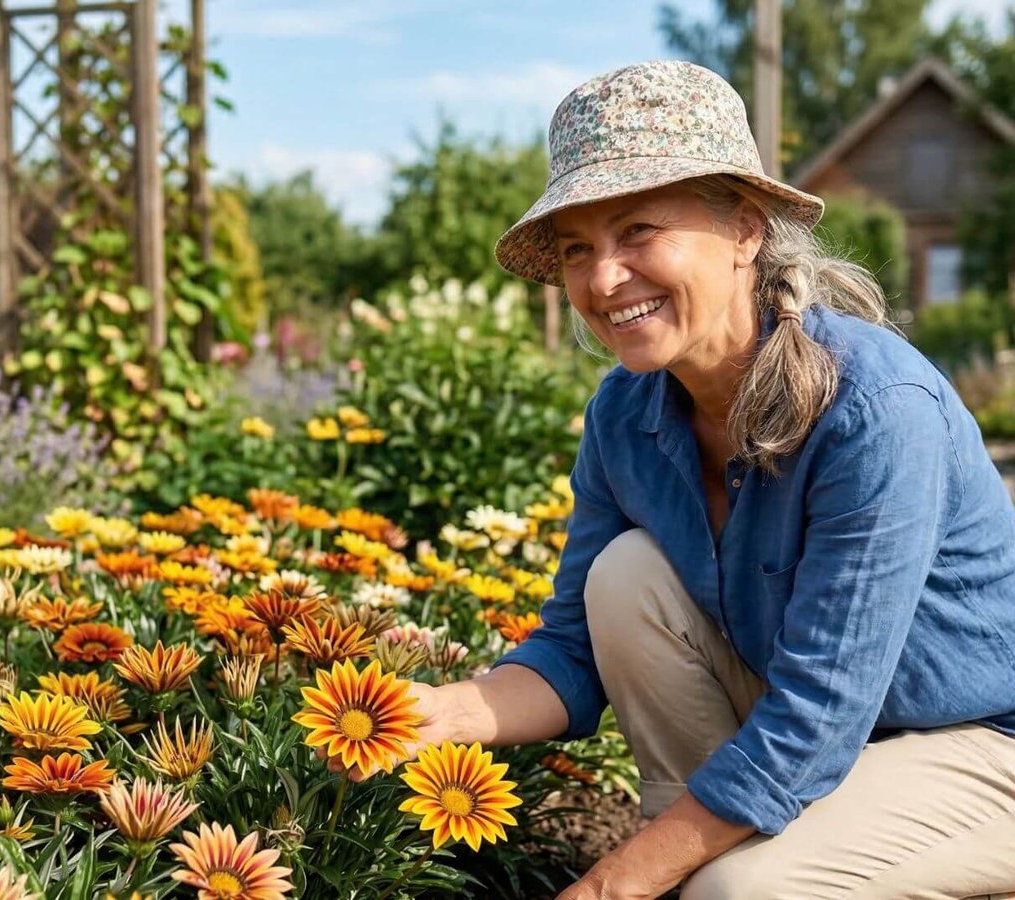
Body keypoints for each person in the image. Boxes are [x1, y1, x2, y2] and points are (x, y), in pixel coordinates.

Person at [376, 60, 1015, 899]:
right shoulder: (627, 414)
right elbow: (573, 648)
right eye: (578, 249)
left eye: (638, 231)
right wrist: (438, 715)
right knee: (624, 577)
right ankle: (690, 861)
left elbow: (815, 719)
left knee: (740, 892)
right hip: (832, 727)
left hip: (980, 744)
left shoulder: (873, 408)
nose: (604, 280)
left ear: (746, 229)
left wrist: (609, 886)